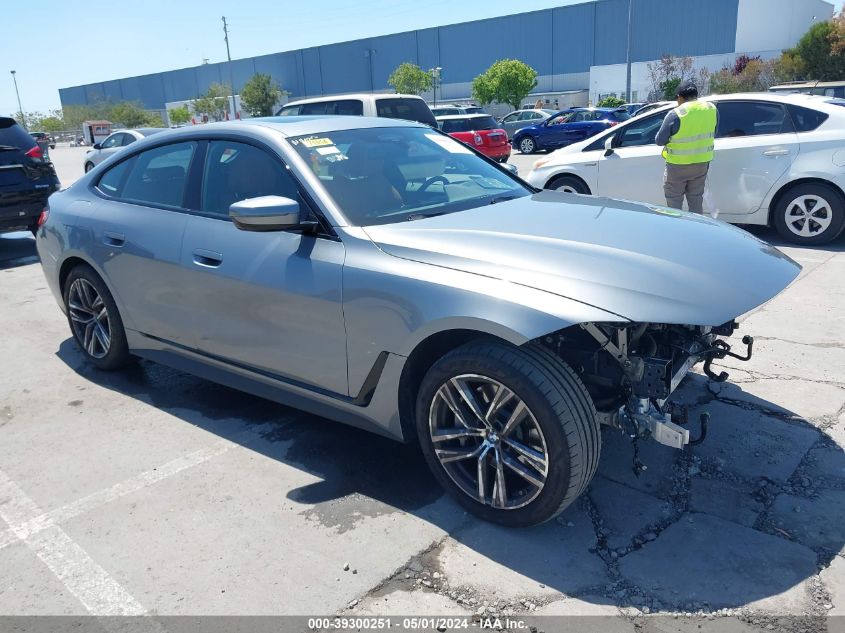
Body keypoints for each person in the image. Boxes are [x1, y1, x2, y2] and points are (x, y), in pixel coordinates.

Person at [655, 81, 718, 214]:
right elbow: (713, 132)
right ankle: (695, 231)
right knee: (696, 200)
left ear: (680, 97)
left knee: (674, 203)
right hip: (701, 164)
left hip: (677, 166)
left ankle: (676, 231)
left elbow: (660, 140)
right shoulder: (711, 109)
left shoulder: (676, 113)